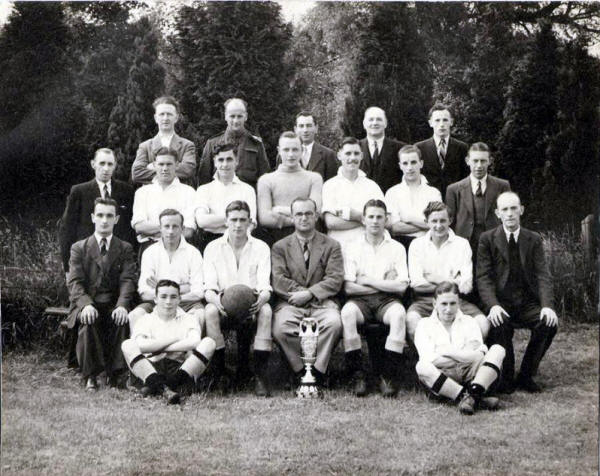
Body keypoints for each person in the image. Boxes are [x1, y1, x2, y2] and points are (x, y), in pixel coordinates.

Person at [477, 192, 558, 393]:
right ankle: (506, 374)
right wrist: (493, 305)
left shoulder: (533, 239)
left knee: (547, 323)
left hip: (526, 303)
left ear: (521, 210)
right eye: (505, 209)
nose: (510, 213)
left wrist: (547, 306)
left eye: (514, 208)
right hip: (500, 302)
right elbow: (483, 277)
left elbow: (543, 275)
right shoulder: (487, 239)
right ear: (497, 213)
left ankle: (526, 374)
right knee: (498, 324)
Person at [271, 197, 344, 389]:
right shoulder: (280, 247)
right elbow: (278, 279)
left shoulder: (332, 245)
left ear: (317, 216)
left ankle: (318, 371)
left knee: (334, 323)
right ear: (292, 218)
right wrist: (301, 294)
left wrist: (310, 294)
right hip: (291, 303)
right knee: (281, 328)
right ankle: (299, 371)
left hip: (323, 302)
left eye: (308, 213)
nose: (304, 218)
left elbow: (335, 279)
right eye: (299, 214)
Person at [203, 201, 273, 396]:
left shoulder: (261, 247)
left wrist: (262, 299)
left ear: (250, 222)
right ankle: (219, 374)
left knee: (266, 311)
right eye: (233, 220)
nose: (238, 225)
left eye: (243, 220)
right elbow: (208, 288)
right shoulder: (212, 248)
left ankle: (258, 374)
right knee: (209, 311)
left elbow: (265, 285)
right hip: (223, 303)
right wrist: (217, 301)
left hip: (252, 303)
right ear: (226, 221)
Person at [66, 197, 136, 390]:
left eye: (109, 216)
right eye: (100, 215)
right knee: (87, 321)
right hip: (88, 302)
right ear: (93, 217)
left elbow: (128, 280)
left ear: (116, 219)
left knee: (122, 318)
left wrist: (122, 305)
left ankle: (116, 373)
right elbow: (75, 282)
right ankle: (90, 375)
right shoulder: (79, 248)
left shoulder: (124, 248)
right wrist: (86, 304)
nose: (104, 220)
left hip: (112, 303)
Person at [341, 199, 409, 397]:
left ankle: (387, 376)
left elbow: (402, 287)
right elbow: (349, 288)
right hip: (360, 302)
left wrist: (368, 280)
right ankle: (357, 375)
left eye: (379, 217)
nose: (375, 221)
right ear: (363, 219)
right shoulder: (352, 247)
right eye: (370, 216)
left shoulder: (396, 248)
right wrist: (384, 285)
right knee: (347, 313)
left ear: (386, 219)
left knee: (398, 315)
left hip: (387, 303)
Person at [414, 281, 505, 415]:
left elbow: (478, 355)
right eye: (444, 304)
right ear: (435, 304)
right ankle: (472, 397)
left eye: (453, 303)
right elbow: (429, 360)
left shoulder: (469, 321)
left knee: (498, 349)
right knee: (422, 366)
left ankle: (472, 394)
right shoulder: (424, 325)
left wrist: (445, 351)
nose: (448, 309)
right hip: (444, 377)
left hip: (472, 374)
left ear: (459, 303)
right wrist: (464, 355)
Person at [121, 280, 216, 405]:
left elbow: (194, 342)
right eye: (163, 297)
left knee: (209, 343)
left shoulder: (188, 318)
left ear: (179, 299)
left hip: (179, 368)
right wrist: (175, 338)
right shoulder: (146, 319)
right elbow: (139, 345)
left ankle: (160, 387)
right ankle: (165, 388)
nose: (168, 302)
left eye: (173, 297)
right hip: (151, 367)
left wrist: (157, 347)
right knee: (127, 344)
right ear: (155, 299)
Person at [406, 201, 488, 341]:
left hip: (456, 300)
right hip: (425, 301)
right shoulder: (417, 245)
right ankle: (428, 360)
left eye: (443, 220)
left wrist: (433, 278)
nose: (439, 226)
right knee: (412, 322)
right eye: (434, 221)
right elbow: (417, 285)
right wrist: (452, 281)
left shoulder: (462, 244)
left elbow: (466, 287)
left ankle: (462, 360)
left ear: (450, 220)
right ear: (427, 222)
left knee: (483, 324)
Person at [128, 209, 204, 333]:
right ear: (160, 228)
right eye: (166, 226)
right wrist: (183, 287)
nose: (170, 231)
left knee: (200, 315)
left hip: (187, 304)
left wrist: (160, 287)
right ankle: (143, 352)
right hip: (155, 303)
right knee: (135, 316)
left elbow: (198, 292)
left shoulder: (193, 253)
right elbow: (144, 292)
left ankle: (192, 352)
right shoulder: (150, 253)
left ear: (182, 228)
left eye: (175, 226)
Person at [59, 148, 134, 273]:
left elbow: (130, 227)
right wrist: (68, 267)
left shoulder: (126, 191)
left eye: (110, 164)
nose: (106, 168)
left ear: (115, 165)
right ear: (93, 164)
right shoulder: (79, 191)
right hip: (87, 258)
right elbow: (67, 229)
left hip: (118, 259)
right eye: (102, 163)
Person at [257, 131, 322, 245]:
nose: (291, 155)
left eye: (295, 149)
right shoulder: (266, 180)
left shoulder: (314, 178)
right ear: (279, 151)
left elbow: (314, 213)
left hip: (309, 241)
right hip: (276, 241)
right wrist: (299, 218)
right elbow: (265, 218)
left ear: (302, 150)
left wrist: (279, 210)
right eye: (286, 150)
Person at [446, 142, 511, 253]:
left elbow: (509, 216)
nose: (479, 165)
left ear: (490, 161)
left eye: (483, 161)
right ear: (467, 161)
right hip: (464, 246)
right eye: (475, 161)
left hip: (494, 245)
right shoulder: (454, 189)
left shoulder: (502, 186)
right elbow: (450, 222)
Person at [322, 137, 384, 250]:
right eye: (348, 153)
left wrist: (354, 216)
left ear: (361, 156)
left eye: (356, 153)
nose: (352, 158)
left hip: (367, 248)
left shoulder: (372, 186)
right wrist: (365, 220)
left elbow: (383, 220)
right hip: (339, 248)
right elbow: (331, 223)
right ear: (339, 155)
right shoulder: (329, 185)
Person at [131, 148, 196, 255]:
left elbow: (188, 231)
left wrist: (153, 230)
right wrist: (173, 229)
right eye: (161, 164)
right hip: (149, 248)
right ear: (154, 165)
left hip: (180, 249)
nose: (165, 168)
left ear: (177, 165)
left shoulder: (188, 192)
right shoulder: (142, 192)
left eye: (169, 164)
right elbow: (139, 227)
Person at [195, 143, 257, 252]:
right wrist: (236, 218)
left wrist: (215, 220)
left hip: (240, 242)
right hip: (210, 242)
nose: (225, 164)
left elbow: (250, 222)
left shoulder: (247, 190)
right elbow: (201, 221)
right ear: (214, 162)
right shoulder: (204, 190)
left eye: (229, 159)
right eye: (220, 160)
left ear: (236, 161)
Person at [197, 98, 270, 189]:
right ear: (225, 116)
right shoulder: (212, 144)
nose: (236, 121)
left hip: (247, 197)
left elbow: (264, 179)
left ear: (246, 117)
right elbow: (204, 179)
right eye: (232, 116)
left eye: (239, 116)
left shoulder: (256, 144)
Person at [384, 144, 442, 250]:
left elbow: (437, 224)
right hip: (401, 245)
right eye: (405, 163)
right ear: (400, 165)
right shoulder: (392, 193)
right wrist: (425, 224)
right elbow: (395, 228)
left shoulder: (434, 193)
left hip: (428, 245)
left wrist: (409, 219)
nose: (409, 167)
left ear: (421, 163)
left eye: (413, 162)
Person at [131, 96, 196, 186]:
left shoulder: (187, 145)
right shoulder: (145, 146)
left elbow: (188, 170)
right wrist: (170, 171)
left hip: (179, 195)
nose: (165, 118)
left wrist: (153, 167)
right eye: (162, 114)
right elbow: (136, 173)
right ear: (155, 118)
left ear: (176, 117)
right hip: (153, 195)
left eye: (169, 114)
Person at [416, 104, 468, 197]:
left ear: (451, 122)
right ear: (430, 123)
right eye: (437, 120)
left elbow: (466, 178)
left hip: (455, 199)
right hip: (428, 199)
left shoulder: (462, 148)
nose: (441, 124)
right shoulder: (419, 148)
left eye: (445, 120)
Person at [276, 111, 339, 182]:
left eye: (309, 126)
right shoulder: (283, 155)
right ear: (295, 129)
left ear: (316, 128)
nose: (305, 130)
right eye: (301, 126)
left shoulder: (328, 155)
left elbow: (332, 185)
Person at [359, 107, 406, 193]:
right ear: (364, 124)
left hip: (391, 200)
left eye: (379, 119)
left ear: (385, 123)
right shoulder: (355, 148)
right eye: (371, 119)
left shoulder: (400, 148)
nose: (375, 123)